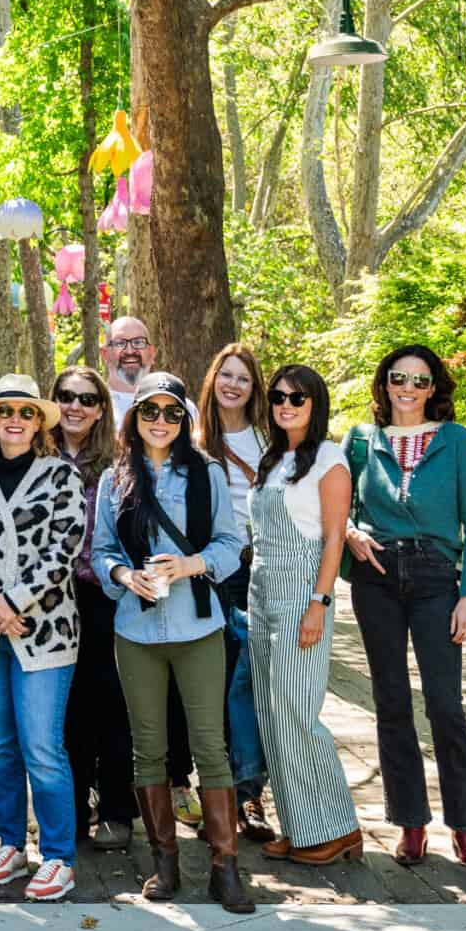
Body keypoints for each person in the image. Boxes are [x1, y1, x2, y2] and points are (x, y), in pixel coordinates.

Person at [92, 373, 255, 914]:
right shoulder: (115, 479)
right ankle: (165, 863)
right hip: (136, 630)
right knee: (148, 747)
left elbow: (232, 542)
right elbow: (101, 551)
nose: (160, 421)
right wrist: (123, 576)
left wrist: (192, 564)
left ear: (185, 419)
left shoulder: (208, 473)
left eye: (171, 412)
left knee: (209, 744)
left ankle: (224, 866)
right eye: (149, 411)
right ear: (134, 417)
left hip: (197, 626)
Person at [342, 344, 466, 871]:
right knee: (391, 701)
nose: (408, 388)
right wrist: (350, 531)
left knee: (445, 704)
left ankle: (465, 825)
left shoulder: (456, 440)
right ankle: (410, 822)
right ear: (384, 383)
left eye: (420, 380)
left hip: (435, 577)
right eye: (398, 378)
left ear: (434, 389)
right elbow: (337, 504)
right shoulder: (361, 440)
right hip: (376, 576)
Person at [0, 374, 86, 901]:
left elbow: (64, 547)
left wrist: (15, 601)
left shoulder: (62, 477)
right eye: (5, 411)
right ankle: (10, 843)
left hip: (44, 633)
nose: (15, 419)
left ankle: (58, 856)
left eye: (26, 412)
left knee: (42, 748)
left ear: (39, 423)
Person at [249, 364, 365, 866]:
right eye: (278, 396)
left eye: (297, 398)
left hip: (302, 593)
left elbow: (334, 539)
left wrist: (319, 604)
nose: (286, 405)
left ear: (315, 404)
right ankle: (301, 826)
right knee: (272, 713)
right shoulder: (273, 458)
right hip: (261, 591)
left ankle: (338, 827)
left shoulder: (329, 460)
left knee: (298, 711)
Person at [192, 341, 273, 842]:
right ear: (213, 381)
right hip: (206, 573)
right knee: (210, 686)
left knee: (246, 682)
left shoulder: (269, 440)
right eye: (227, 375)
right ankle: (217, 795)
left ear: (254, 388)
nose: (233, 385)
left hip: (257, 570)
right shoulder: (194, 440)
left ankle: (248, 793)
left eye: (243, 378)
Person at [53, 364, 135, 852]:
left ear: (102, 409)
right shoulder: (39, 455)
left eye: (87, 399)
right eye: (67, 396)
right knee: (64, 707)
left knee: (110, 703)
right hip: (49, 598)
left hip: (103, 593)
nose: (75, 406)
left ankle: (117, 810)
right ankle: (71, 807)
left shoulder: (118, 463)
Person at [102, 317, 154, 426]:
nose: (130, 351)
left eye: (138, 342)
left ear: (151, 353)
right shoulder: (90, 406)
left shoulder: (178, 406)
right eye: (119, 343)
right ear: (105, 354)